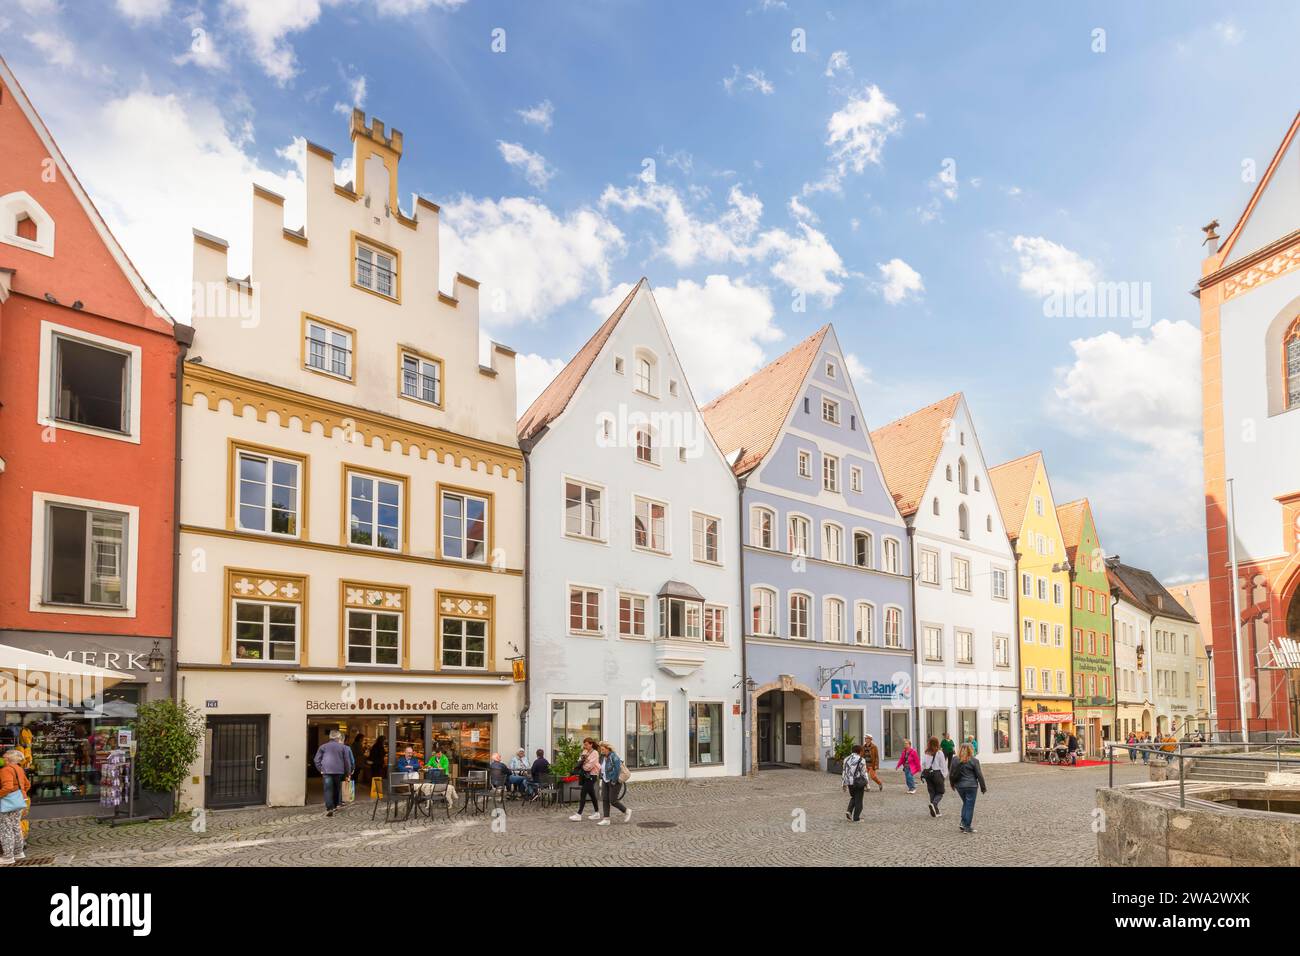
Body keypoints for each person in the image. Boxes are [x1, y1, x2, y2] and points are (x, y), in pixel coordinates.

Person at [313, 730, 354, 817]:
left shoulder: (323, 747)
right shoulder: (343, 747)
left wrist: (320, 769)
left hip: (326, 771)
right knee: (337, 789)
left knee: (328, 790)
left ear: (330, 737)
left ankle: (329, 808)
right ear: (338, 738)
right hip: (339, 771)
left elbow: (316, 760)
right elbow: (347, 761)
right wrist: (348, 773)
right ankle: (335, 805)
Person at [0, 749, 31, 864]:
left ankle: (8, 857)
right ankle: (19, 852)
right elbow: (27, 785)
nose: (2, 759)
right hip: (20, 800)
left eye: (3, 757)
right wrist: (20, 793)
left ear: (7, 759)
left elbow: (7, 787)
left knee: (5, 829)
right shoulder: (19, 769)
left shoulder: (5, 770)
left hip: (8, 802)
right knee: (16, 826)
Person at [949, 743, 988, 833]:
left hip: (959, 786)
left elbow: (951, 773)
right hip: (971, 786)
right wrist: (983, 787)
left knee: (966, 803)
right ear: (971, 750)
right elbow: (979, 775)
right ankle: (967, 827)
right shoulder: (974, 760)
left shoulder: (955, 759)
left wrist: (952, 784)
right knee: (969, 806)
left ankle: (963, 823)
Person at [596, 741, 630, 826]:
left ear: (608, 749)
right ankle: (606, 819)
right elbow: (602, 768)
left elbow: (617, 769)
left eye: (603, 749)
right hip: (605, 779)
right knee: (605, 799)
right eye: (601, 749)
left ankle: (626, 811)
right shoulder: (603, 757)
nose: (601, 751)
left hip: (614, 780)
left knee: (613, 800)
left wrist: (614, 781)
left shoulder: (613, 756)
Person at [568, 738, 602, 822]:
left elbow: (589, 767)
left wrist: (584, 763)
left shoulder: (595, 753)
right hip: (585, 775)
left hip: (592, 775)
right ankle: (597, 813)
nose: (585, 746)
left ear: (591, 744)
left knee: (583, 793)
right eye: (584, 744)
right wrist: (584, 762)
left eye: (586, 744)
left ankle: (579, 814)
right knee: (592, 794)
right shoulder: (584, 752)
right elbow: (579, 761)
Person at [921, 735, 947, 818]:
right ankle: (934, 804)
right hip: (937, 773)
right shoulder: (939, 753)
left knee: (932, 792)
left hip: (928, 774)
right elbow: (943, 765)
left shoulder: (926, 753)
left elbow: (923, 764)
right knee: (940, 792)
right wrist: (944, 775)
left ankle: (936, 811)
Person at [841, 744, 868, 822]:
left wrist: (843, 783)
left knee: (854, 797)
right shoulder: (861, 760)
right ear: (860, 751)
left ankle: (849, 811)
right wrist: (867, 784)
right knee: (859, 800)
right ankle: (856, 818)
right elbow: (864, 773)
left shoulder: (846, 759)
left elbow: (844, 771)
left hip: (849, 782)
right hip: (858, 782)